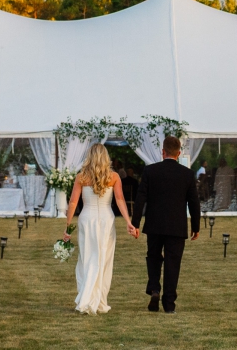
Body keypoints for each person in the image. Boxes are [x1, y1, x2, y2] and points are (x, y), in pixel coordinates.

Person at [64, 143, 137, 315]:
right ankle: (98, 300)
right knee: (103, 260)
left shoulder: (81, 176)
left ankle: (87, 298)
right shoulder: (113, 177)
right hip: (106, 220)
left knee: (87, 258)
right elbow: (120, 200)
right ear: (106, 157)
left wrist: (67, 226)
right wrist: (128, 221)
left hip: (87, 219)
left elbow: (73, 202)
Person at [132, 135, 200, 313]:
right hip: (176, 226)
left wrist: (135, 223)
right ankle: (169, 304)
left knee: (153, 257)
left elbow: (141, 198)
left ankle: (155, 289)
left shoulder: (150, 171)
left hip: (154, 224)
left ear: (163, 152)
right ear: (178, 153)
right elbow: (194, 203)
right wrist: (196, 226)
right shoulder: (187, 174)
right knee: (173, 262)